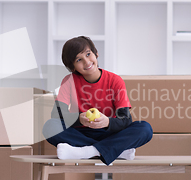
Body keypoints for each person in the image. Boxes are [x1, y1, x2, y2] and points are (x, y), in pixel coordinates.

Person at [42, 36, 153, 165]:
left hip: (110, 132)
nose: (87, 62)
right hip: (81, 132)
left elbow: (126, 120)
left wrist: (107, 122)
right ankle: (114, 150)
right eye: (79, 60)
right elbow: (56, 114)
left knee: (145, 129)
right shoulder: (69, 81)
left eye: (88, 54)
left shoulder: (115, 80)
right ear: (73, 67)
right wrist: (79, 118)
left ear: (96, 53)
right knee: (49, 127)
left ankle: (87, 151)